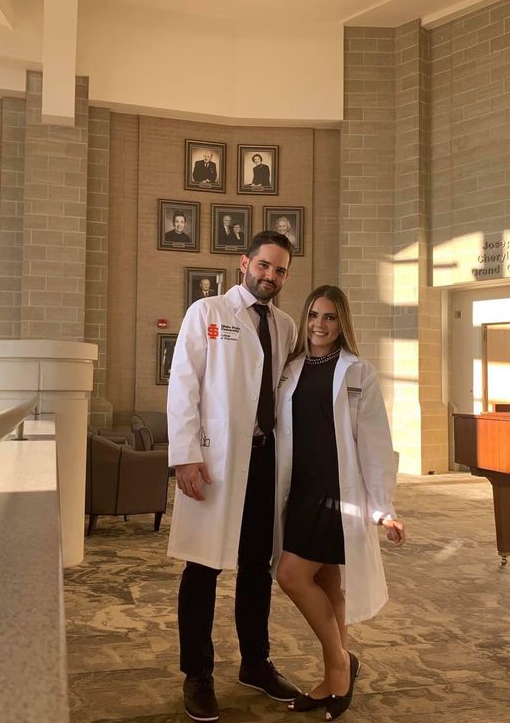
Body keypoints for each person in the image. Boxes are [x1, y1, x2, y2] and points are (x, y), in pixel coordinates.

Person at [167, 230, 299, 722]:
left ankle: (255, 663)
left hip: (265, 459)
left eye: (281, 270)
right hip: (215, 460)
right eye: (264, 265)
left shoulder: (284, 324)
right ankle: (197, 673)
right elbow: (184, 384)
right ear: (244, 263)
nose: (271, 275)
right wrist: (184, 455)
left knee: (256, 566)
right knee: (202, 566)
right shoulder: (208, 314)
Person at [273, 285, 406, 721]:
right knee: (329, 585)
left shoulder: (357, 371)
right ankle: (335, 677)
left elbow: (374, 441)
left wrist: (382, 506)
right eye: (313, 315)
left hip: (336, 492)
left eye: (329, 317)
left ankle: (340, 664)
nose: (319, 325)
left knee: (291, 576)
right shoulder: (290, 370)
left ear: (341, 322)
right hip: (300, 488)